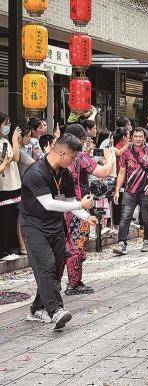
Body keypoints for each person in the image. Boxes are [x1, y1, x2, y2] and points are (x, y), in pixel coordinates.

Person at [20, 134, 96, 330]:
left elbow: (69, 201)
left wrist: (86, 216)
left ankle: (37, 309)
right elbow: (49, 203)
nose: (74, 162)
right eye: (73, 157)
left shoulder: (65, 173)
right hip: (34, 227)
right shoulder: (35, 172)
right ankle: (56, 311)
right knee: (46, 265)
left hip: (55, 226)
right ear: (62, 154)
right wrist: (80, 205)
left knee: (55, 268)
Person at [63, 124, 114, 295]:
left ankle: (57, 284)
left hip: (60, 207)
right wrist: (109, 157)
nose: (85, 142)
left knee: (62, 245)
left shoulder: (58, 155)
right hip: (79, 206)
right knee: (78, 244)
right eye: (83, 139)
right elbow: (104, 172)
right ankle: (74, 283)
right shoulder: (80, 157)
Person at [113, 127, 148, 256]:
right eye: (135, 136)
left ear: (144, 138)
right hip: (129, 190)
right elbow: (121, 173)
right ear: (131, 138)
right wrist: (117, 190)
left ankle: (147, 241)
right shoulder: (126, 152)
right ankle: (121, 243)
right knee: (125, 217)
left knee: (146, 218)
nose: (138, 139)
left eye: (140, 136)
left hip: (145, 190)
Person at [0, 115, 25, 260]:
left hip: (13, 184)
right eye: (6, 124)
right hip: (3, 187)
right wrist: (14, 140)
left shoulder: (4, 141)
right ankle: (3, 251)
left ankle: (10, 249)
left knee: (12, 218)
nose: (8, 127)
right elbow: (7, 161)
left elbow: (15, 157)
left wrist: (15, 141)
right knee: (4, 219)